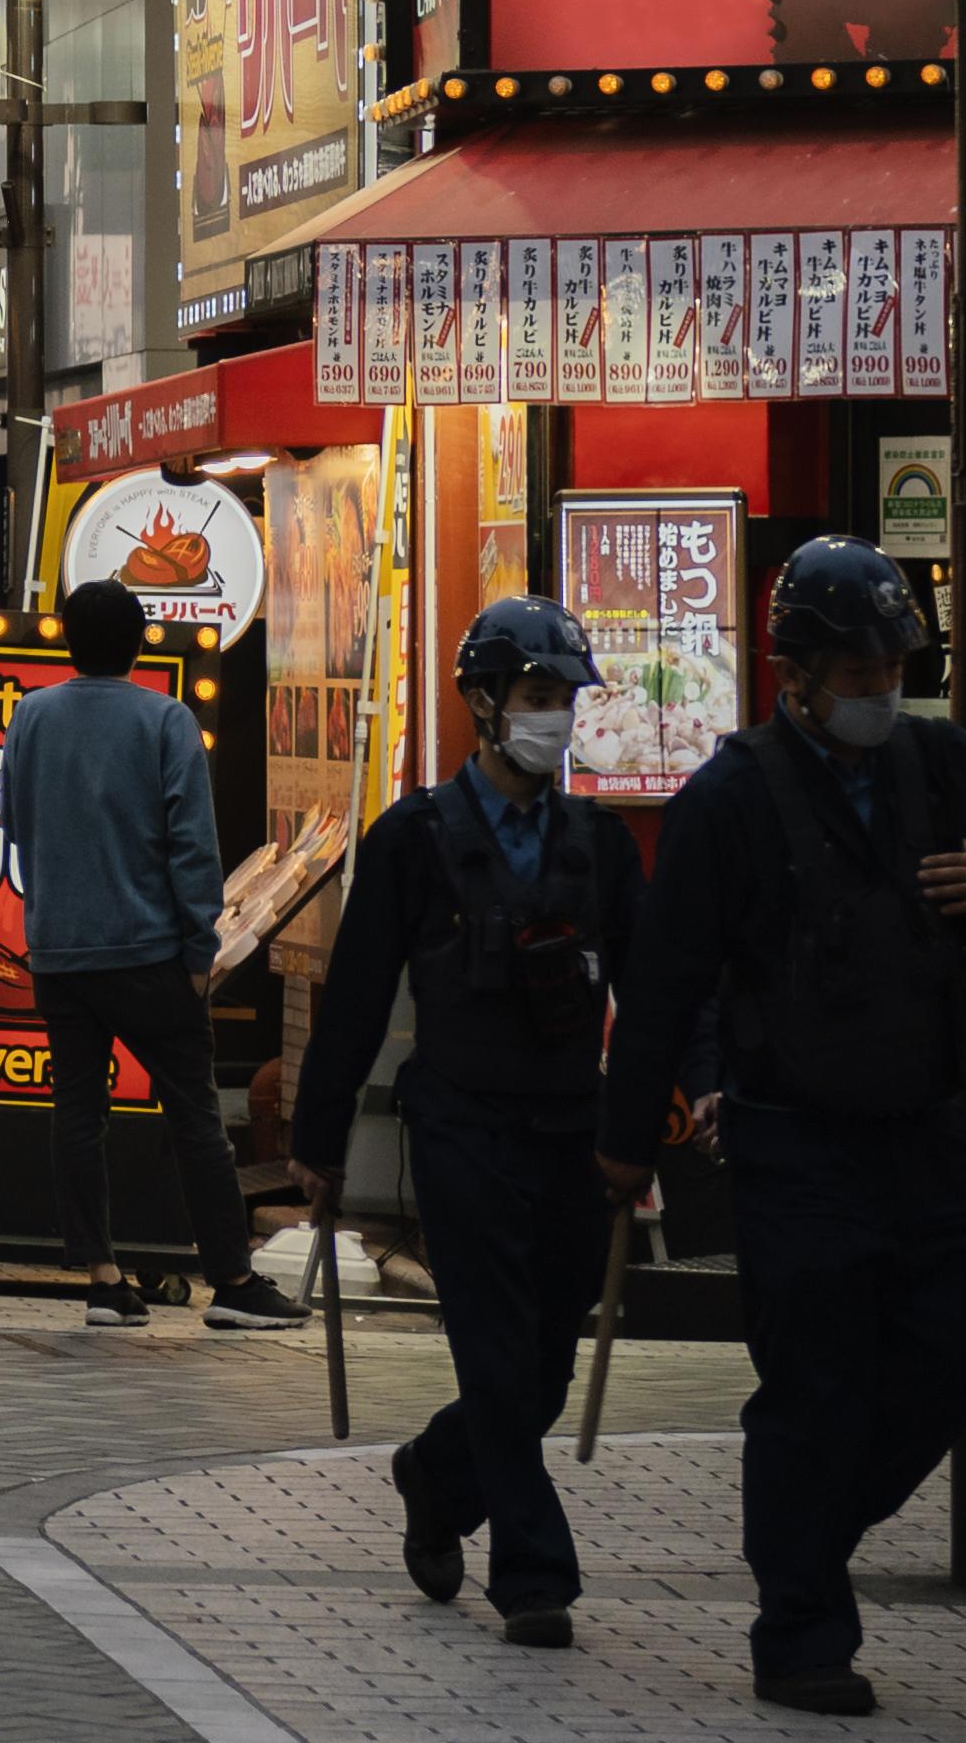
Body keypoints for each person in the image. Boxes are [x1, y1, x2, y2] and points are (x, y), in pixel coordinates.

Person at [600, 539, 966, 1720]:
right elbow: (665, 978)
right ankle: (801, 1629)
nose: (876, 684)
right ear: (795, 671)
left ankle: (806, 1531)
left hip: (927, 1123)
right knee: (814, 1379)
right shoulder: (729, 798)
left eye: (891, 660)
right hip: (792, 1135)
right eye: (854, 663)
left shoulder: (947, 767)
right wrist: (626, 1134)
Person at [295, 597, 636, 1648]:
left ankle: (437, 1474)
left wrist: (664, 1106)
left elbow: (662, 990)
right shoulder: (415, 838)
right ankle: (534, 1573)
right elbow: (355, 995)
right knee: (492, 1349)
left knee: (541, 1365)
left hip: (573, 1129)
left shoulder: (600, 844)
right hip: (460, 1127)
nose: (555, 718)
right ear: (484, 706)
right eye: (537, 697)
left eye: (565, 699)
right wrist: (317, 1141)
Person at [4, 579, 301, 1330]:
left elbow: (15, 822)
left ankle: (103, 1280)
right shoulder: (165, 721)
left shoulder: (30, 717)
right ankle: (231, 1280)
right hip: (150, 954)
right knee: (193, 1111)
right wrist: (200, 949)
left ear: (66, 639)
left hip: (60, 952)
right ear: (139, 642)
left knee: (77, 1111)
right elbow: (192, 847)